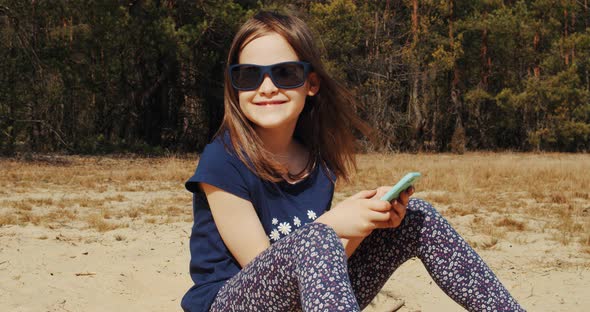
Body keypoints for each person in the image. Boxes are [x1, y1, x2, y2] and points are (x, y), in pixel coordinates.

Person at [181, 10, 525, 312]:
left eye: (285, 73)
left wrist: (365, 224)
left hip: (309, 297)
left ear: (311, 83)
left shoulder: (317, 162)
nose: (267, 87)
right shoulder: (222, 160)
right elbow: (266, 270)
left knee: (418, 217)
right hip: (231, 303)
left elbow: (324, 261)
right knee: (316, 240)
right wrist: (334, 224)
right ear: (234, 86)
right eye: (249, 75)